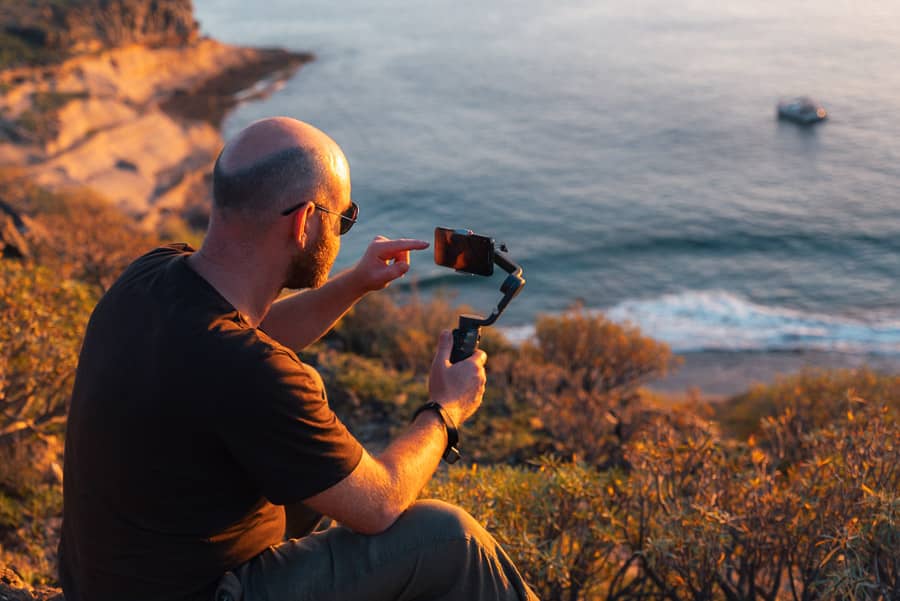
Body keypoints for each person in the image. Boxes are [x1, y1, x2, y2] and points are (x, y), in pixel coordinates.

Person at [59, 116, 539, 601]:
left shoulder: (150, 276)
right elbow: (381, 502)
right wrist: (445, 410)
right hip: (201, 592)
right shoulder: (250, 372)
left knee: (308, 396)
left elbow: (251, 338)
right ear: (305, 222)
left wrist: (354, 283)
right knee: (449, 537)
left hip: (112, 580)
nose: (344, 230)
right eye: (343, 218)